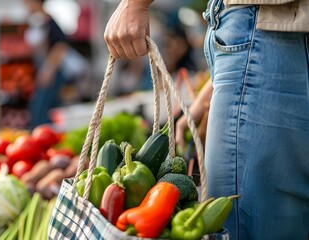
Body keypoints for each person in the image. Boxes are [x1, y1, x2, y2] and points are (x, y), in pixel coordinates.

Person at [104, 0, 309, 239]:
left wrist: (134, 5)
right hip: (282, 32)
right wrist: (211, 90)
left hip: (263, 26)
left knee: (242, 227)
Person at [24, 0, 89, 128]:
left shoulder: (49, 22)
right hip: (45, 71)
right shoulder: (37, 22)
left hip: (53, 72)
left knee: (42, 108)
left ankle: (43, 135)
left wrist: (48, 70)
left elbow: (60, 46)